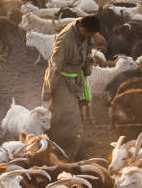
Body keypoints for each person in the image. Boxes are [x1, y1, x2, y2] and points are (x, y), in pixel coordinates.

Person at [42, 14, 104, 157]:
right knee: (69, 117)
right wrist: (47, 92)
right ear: (82, 29)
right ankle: (68, 151)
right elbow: (54, 67)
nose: (91, 37)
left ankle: (74, 143)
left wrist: (88, 62)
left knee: (74, 112)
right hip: (62, 80)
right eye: (90, 34)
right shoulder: (65, 42)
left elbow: (88, 48)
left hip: (76, 78)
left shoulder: (86, 33)